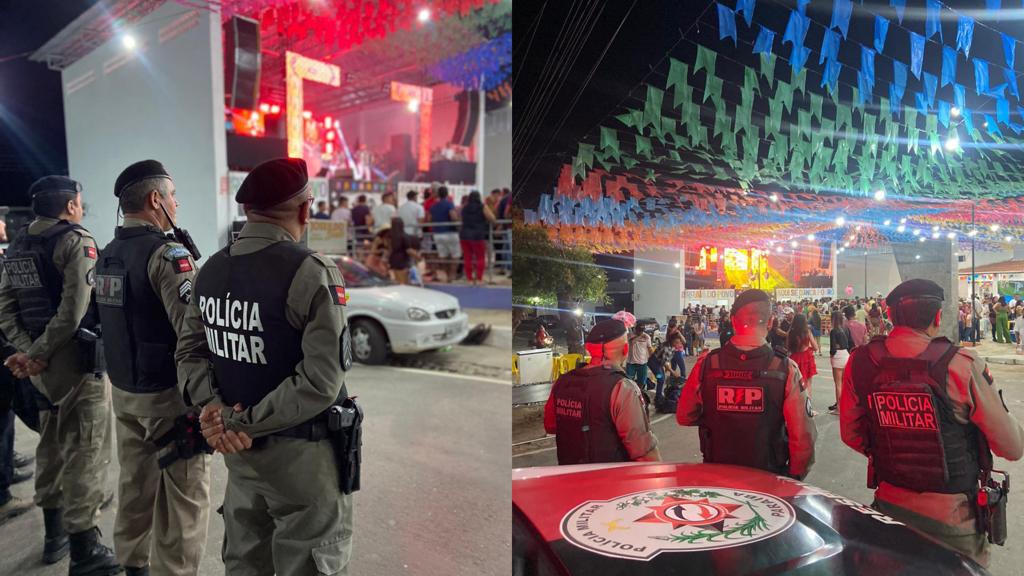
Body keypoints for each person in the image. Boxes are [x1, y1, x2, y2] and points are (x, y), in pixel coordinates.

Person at [177, 158, 357, 575]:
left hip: (241, 458)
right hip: (301, 461)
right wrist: (242, 423)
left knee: (245, 562)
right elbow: (320, 381)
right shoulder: (312, 272)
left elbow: (188, 354)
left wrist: (218, 414)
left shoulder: (210, 270)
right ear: (305, 209)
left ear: (247, 209)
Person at [841, 279, 1024, 567]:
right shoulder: (962, 365)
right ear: (937, 317)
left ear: (890, 316)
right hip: (953, 523)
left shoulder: (860, 362)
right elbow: (1012, 447)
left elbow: (851, 434)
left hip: (889, 510)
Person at [0, 176, 122, 574]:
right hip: (76, 366)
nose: (82, 208)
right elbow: (73, 313)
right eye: (80, 202)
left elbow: (5, 309)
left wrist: (28, 353)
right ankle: (85, 550)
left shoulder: (18, 243)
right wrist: (37, 353)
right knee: (86, 452)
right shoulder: (76, 241)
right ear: (70, 206)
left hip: (38, 372)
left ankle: (55, 537)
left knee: (50, 448)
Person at [96, 160, 212, 576]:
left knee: (135, 485)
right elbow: (193, 335)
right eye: (173, 196)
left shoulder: (107, 254)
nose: (177, 204)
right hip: (169, 401)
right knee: (184, 499)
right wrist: (209, 399)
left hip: (125, 394)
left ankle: (132, 565)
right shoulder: (168, 256)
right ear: (155, 199)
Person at [676, 289, 816, 479]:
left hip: (717, 476)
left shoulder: (708, 364)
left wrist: (718, 415)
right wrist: (793, 478)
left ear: (733, 321)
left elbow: (684, 416)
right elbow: (803, 438)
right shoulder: (786, 369)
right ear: (770, 322)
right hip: (767, 478)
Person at [543, 319, 661, 464]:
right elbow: (643, 452)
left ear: (589, 348)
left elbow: (550, 426)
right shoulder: (622, 388)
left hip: (569, 473)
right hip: (611, 476)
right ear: (625, 349)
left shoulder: (562, 382)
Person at [458, 191, 495, 286]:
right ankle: (479, 278)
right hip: (478, 236)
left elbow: (460, 219)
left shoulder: (464, 207)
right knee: (480, 257)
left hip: (464, 235)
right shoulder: (482, 207)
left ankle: (469, 278)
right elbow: (492, 218)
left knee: (467, 257)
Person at [787, 314, 819, 413]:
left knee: (795, 385)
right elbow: (815, 347)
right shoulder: (807, 332)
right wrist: (808, 347)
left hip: (794, 358)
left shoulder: (791, 332)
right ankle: (808, 409)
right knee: (808, 384)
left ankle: (796, 408)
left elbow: (788, 347)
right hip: (806, 357)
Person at [428, 186, 460, 283]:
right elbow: (453, 217)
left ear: (438, 194)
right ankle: (452, 275)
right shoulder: (449, 204)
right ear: (447, 194)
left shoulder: (433, 206)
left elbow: (429, 219)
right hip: (450, 232)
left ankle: (447, 275)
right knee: (455, 255)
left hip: (437, 234)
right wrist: (458, 221)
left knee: (443, 256)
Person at [828, 309, 851, 415]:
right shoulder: (845, 329)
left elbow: (833, 348)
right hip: (846, 355)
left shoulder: (834, 331)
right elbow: (849, 343)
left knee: (838, 384)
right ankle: (845, 405)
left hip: (837, 356)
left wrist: (831, 355)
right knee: (844, 383)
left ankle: (839, 408)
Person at [387, 217, 419, 285]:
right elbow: (408, 250)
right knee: (404, 282)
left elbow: (389, 249)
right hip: (403, 260)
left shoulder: (390, 236)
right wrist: (418, 256)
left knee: (397, 281)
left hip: (393, 260)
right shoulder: (404, 236)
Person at [624, 324, 652, 389]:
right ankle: (631, 392)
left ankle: (640, 392)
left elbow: (649, 348)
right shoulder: (629, 335)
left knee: (642, 381)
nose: (640, 332)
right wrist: (640, 336)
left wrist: (652, 358)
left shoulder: (647, 337)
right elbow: (632, 342)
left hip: (643, 363)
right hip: (631, 363)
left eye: (642, 331)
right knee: (629, 381)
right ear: (635, 329)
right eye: (639, 330)